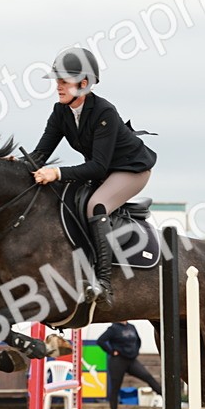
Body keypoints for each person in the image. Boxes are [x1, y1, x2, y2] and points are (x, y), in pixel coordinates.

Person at [28, 47, 157, 309]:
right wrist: (16, 165)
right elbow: (40, 154)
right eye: (57, 81)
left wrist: (58, 173)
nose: (58, 86)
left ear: (83, 83)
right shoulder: (60, 112)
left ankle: (104, 283)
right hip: (105, 170)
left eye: (64, 81)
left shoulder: (104, 112)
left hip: (132, 170)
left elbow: (97, 167)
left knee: (95, 206)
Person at [96, 319, 162, 409]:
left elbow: (138, 341)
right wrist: (112, 351)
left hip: (131, 360)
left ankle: (165, 397)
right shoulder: (113, 328)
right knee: (115, 388)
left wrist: (136, 352)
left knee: (148, 377)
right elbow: (100, 340)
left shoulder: (131, 327)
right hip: (118, 361)